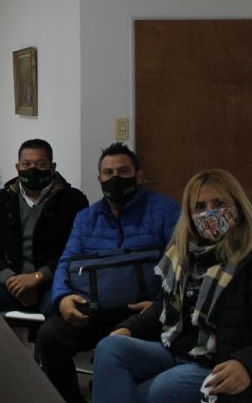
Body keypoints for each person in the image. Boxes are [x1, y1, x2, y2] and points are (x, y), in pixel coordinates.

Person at [92, 169, 252, 403]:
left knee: (145, 393)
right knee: (109, 348)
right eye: (200, 206)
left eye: (219, 203)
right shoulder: (187, 253)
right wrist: (128, 329)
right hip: (175, 350)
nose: (209, 212)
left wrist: (248, 364)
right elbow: (164, 305)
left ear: (239, 205)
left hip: (220, 365)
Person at [36, 142, 180, 403]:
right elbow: (66, 262)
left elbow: (182, 267)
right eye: (108, 173)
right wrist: (62, 298)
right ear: (99, 179)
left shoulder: (167, 211)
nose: (115, 178)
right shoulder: (85, 218)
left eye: (123, 171)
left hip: (145, 313)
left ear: (139, 176)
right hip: (95, 311)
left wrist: (160, 306)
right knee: (49, 336)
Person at [0, 139, 88, 315]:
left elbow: (78, 250)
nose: (32, 169)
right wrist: (10, 280)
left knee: (63, 310)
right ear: (17, 167)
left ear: (52, 167)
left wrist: (38, 277)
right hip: (8, 283)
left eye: (40, 164)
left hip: (53, 284)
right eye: (26, 164)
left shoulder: (74, 200)